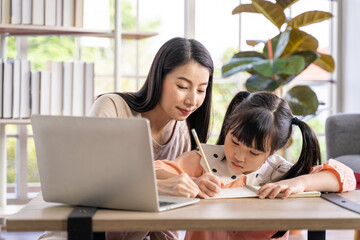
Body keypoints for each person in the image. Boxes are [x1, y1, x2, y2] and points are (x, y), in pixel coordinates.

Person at [38, 37, 214, 240]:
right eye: (183, 86)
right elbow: (86, 182)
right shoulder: (112, 107)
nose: (193, 100)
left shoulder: (182, 133)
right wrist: (159, 187)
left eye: (201, 90)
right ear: (159, 78)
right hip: (79, 233)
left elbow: (163, 225)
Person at [154, 91, 356, 240]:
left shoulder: (281, 173)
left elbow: (345, 177)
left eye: (253, 152)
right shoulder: (204, 159)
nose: (239, 157)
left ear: (273, 151)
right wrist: (192, 181)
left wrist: (301, 183)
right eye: (234, 141)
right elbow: (150, 171)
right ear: (228, 127)